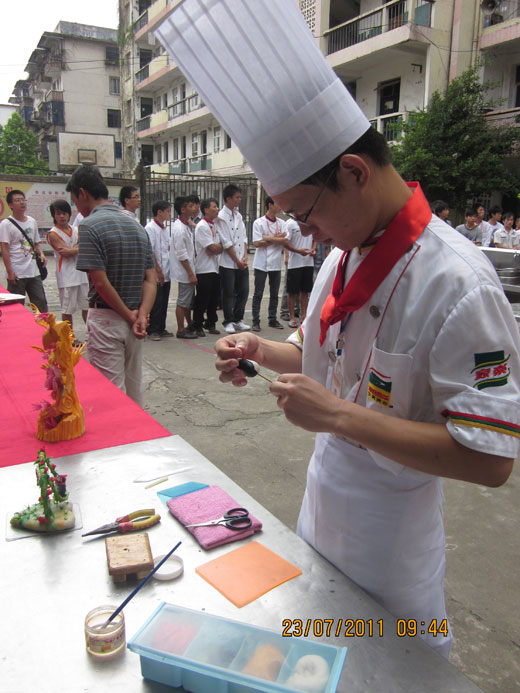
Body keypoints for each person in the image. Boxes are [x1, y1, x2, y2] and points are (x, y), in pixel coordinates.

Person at [158, 0, 520, 659]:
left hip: (392, 546)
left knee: (390, 666)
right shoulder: (342, 255)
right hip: (322, 514)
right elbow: (314, 349)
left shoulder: (459, 283)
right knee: (316, 651)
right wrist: (260, 348)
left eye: (307, 213)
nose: (307, 232)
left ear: (353, 172)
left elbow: (491, 459)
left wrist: (339, 416)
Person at [70, 164, 156, 406]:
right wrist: (141, 316)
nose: (76, 206)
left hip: (108, 319)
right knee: (134, 389)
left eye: (74, 200)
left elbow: (99, 281)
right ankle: (139, 430)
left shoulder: (89, 226)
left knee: (110, 396)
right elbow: (150, 279)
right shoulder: (136, 226)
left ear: (82, 193)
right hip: (136, 321)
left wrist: (129, 315)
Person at [0, 189, 48, 311]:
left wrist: (42, 254)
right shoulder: (6, 224)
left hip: (33, 271)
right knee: (16, 307)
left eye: (23, 200)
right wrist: (9, 272)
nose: (22, 203)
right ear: (10, 205)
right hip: (17, 272)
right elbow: (4, 249)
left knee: (41, 303)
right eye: (17, 200)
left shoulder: (32, 221)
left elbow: (36, 244)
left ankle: (42, 323)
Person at [46, 199, 88, 330]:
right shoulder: (53, 233)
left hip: (81, 273)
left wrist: (74, 249)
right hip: (66, 276)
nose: (62, 216)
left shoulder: (76, 230)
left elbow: (78, 247)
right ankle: (69, 337)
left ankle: (90, 334)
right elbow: (66, 253)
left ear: (69, 214)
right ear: (54, 215)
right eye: (58, 214)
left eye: (64, 213)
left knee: (87, 306)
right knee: (67, 309)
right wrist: (79, 247)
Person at [217, 184, 250, 334]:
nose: (239, 199)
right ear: (228, 198)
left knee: (243, 290)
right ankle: (228, 320)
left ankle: (238, 318)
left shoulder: (239, 216)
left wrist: (244, 256)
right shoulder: (221, 217)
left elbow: (244, 237)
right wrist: (237, 261)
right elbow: (226, 242)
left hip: (241, 261)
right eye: (237, 197)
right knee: (228, 292)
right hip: (228, 262)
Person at [251, 197, 286, 331]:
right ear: (270, 205)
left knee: (274, 293)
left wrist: (266, 238)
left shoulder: (282, 223)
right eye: (277, 204)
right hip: (261, 263)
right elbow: (257, 243)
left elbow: (285, 239)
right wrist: (276, 238)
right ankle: (255, 320)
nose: (280, 206)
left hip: (275, 263)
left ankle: (272, 318)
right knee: (258, 293)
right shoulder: (259, 223)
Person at [192, 198, 223, 336]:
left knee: (214, 298)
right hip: (204, 268)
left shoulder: (215, 225)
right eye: (214, 207)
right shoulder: (202, 226)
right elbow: (212, 248)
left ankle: (211, 322)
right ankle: (197, 324)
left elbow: (219, 246)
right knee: (202, 298)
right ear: (206, 210)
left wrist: (218, 248)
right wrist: (217, 248)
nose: (217, 209)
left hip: (215, 267)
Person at [170, 195, 198, 339]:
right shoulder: (180, 229)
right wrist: (190, 273)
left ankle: (189, 324)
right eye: (190, 206)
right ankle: (180, 330)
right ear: (183, 210)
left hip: (189, 269)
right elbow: (181, 254)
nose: (194, 209)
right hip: (185, 271)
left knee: (187, 300)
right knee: (183, 301)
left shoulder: (186, 225)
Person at [145, 200, 173, 340]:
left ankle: (162, 327)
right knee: (156, 301)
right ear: (159, 212)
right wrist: (158, 270)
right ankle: (153, 329)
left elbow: (167, 248)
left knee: (164, 301)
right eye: (167, 211)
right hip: (156, 272)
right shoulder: (150, 228)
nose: (169, 214)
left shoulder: (164, 229)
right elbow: (151, 251)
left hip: (166, 270)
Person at [283, 218, 316, 328]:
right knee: (292, 292)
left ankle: (304, 316)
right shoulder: (290, 223)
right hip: (295, 263)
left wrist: (313, 249)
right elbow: (285, 242)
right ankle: (292, 317)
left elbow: (315, 238)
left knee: (305, 291)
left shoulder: (310, 221)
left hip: (308, 262)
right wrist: (298, 251)